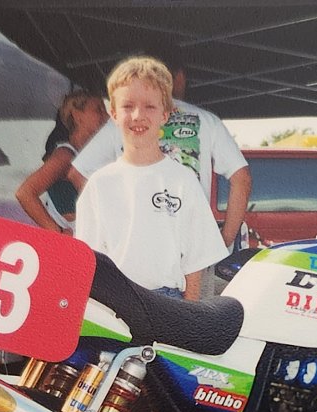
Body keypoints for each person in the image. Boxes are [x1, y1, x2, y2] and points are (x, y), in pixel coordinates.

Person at [74, 56, 227, 301]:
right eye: (127, 106)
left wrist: (187, 321)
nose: (137, 115)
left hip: (168, 302)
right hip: (114, 303)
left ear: (165, 115)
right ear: (113, 114)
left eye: (149, 107)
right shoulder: (99, 184)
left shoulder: (183, 181)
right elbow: (88, 264)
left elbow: (195, 266)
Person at [68, 49, 251, 251]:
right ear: (179, 77)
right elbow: (241, 178)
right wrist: (224, 239)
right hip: (190, 245)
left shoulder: (123, 120)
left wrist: (117, 222)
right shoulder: (207, 121)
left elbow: (78, 173)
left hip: (135, 248)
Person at [15, 89, 108, 233]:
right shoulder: (65, 155)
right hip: (73, 249)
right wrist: (57, 232)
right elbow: (25, 193)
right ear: (77, 115)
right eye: (99, 110)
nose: (106, 115)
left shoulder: (89, 155)